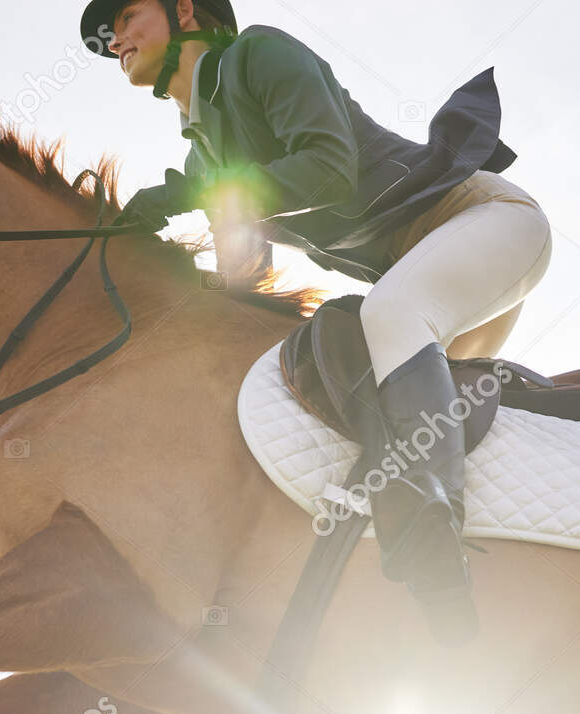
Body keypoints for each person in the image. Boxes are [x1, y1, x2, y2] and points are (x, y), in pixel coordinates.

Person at [80, 0, 552, 631]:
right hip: (433, 282)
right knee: (376, 395)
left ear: (185, 10)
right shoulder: (203, 153)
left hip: (484, 221)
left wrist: (185, 194)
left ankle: (434, 551)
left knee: (386, 316)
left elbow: (327, 172)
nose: (116, 38)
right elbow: (242, 280)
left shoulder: (258, 55)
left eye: (129, 14)